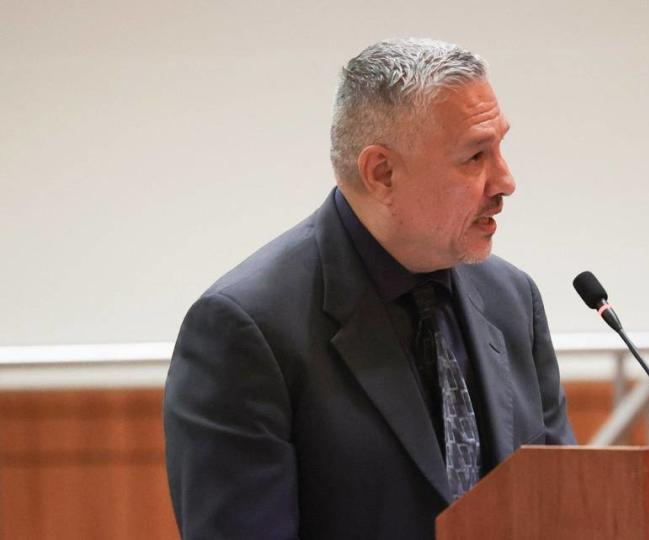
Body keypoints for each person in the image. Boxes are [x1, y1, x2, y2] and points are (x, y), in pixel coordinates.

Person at [163, 38, 576, 539]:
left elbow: (563, 509)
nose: (506, 181)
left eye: (501, 147)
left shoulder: (513, 299)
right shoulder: (246, 328)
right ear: (382, 173)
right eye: (474, 157)